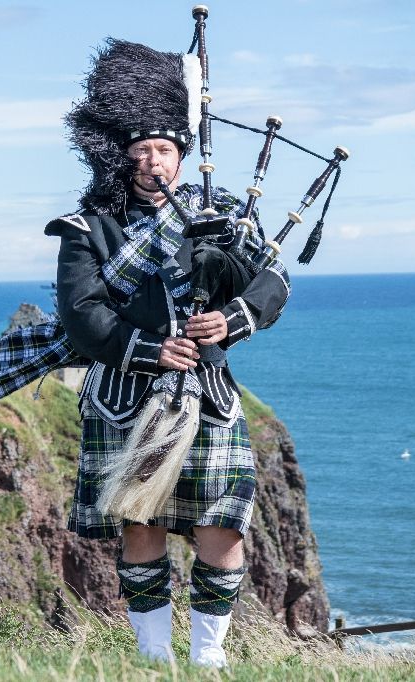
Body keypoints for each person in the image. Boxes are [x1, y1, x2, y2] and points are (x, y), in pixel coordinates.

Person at [47, 39, 291, 667]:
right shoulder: (90, 227)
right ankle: (154, 660)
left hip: (208, 397)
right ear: (120, 157)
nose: (154, 161)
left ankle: (207, 662)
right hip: (128, 396)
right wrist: (153, 349)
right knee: (142, 525)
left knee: (224, 527)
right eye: (142, 151)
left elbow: (273, 283)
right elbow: (81, 315)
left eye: (165, 149)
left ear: (181, 156)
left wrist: (231, 318)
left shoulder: (221, 216)